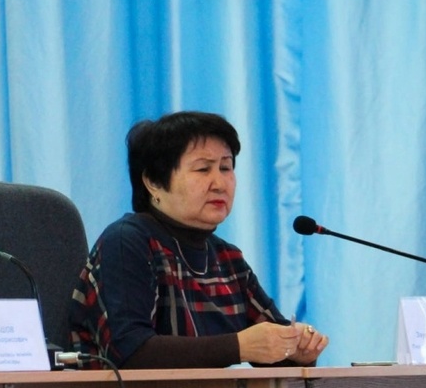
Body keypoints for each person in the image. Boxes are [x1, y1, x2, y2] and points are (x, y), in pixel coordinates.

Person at [69, 111, 327, 368]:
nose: (220, 183)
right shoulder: (126, 242)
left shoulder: (228, 259)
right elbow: (129, 352)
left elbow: (272, 347)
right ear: (153, 182)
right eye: (203, 169)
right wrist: (239, 346)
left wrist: (298, 348)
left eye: (226, 168)